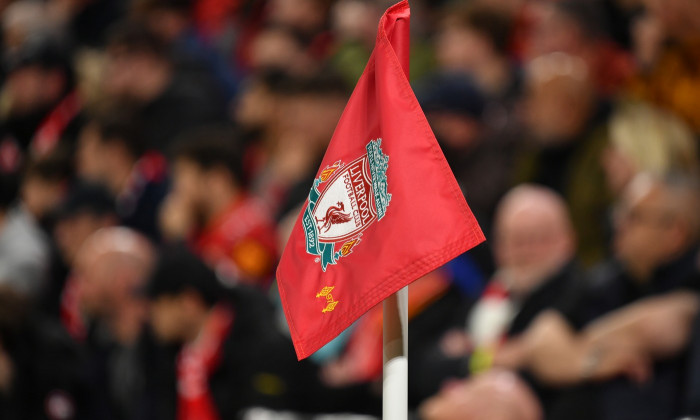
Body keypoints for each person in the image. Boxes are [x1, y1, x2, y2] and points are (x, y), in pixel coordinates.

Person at [496, 173, 700, 419]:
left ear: (674, 233)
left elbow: (663, 325)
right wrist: (589, 363)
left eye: (634, 216)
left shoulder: (690, 280)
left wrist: (573, 344)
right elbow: (541, 338)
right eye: (620, 211)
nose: (618, 223)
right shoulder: (614, 275)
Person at [409, 184, 578, 406]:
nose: (524, 252)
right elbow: (425, 370)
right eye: (514, 241)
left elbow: (536, 377)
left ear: (567, 240)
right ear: (498, 247)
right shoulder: (488, 291)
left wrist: (469, 356)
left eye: (537, 239)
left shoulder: (577, 295)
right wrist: (494, 358)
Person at [145, 244, 315, 418]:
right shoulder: (177, 359)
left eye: (158, 307)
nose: (151, 319)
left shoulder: (252, 337)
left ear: (189, 302)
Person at [160, 128, 277, 289]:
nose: (177, 189)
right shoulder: (201, 227)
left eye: (183, 177)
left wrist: (179, 241)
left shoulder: (251, 228)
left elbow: (241, 292)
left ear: (217, 179)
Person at [71, 227, 156, 420]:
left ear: (121, 280)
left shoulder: (165, 347)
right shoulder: (94, 343)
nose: (78, 288)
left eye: (85, 275)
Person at [102, 21, 226, 152]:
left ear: (142, 59)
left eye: (116, 60)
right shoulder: (136, 109)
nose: (111, 72)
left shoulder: (194, 99)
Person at [76, 107, 169, 241]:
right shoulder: (122, 203)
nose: (79, 157)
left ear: (115, 152)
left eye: (85, 148)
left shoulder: (157, 191)